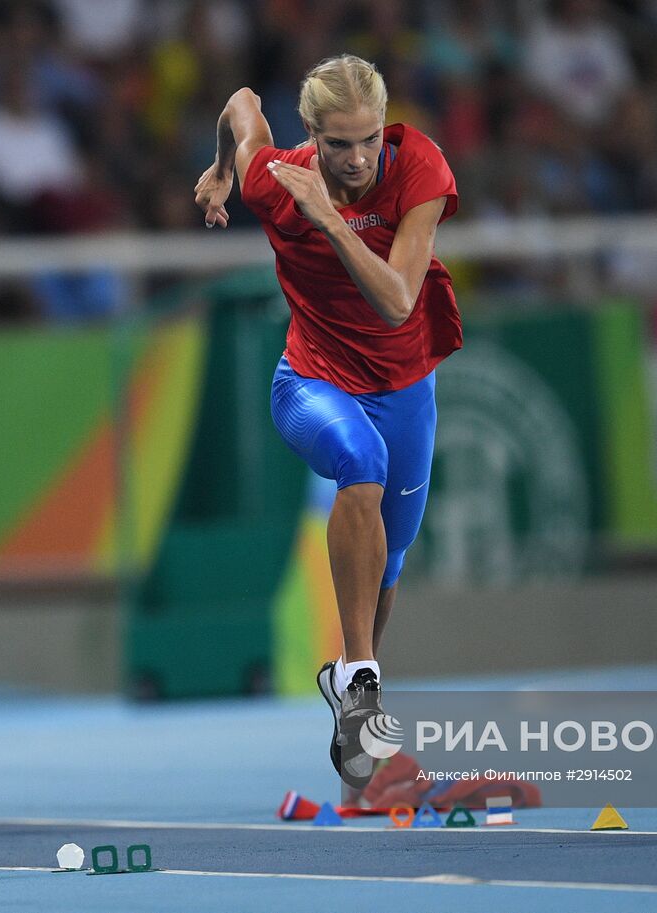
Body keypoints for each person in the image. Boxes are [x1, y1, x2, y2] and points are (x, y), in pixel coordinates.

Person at [195, 54, 461, 788]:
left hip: (407, 388)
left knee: (391, 566)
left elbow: (399, 299)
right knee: (361, 462)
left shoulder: (421, 169)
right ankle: (362, 684)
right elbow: (242, 100)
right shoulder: (275, 177)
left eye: (368, 139)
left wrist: (330, 218)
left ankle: (353, 707)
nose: (355, 158)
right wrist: (223, 168)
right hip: (312, 384)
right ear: (310, 133)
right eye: (337, 143)